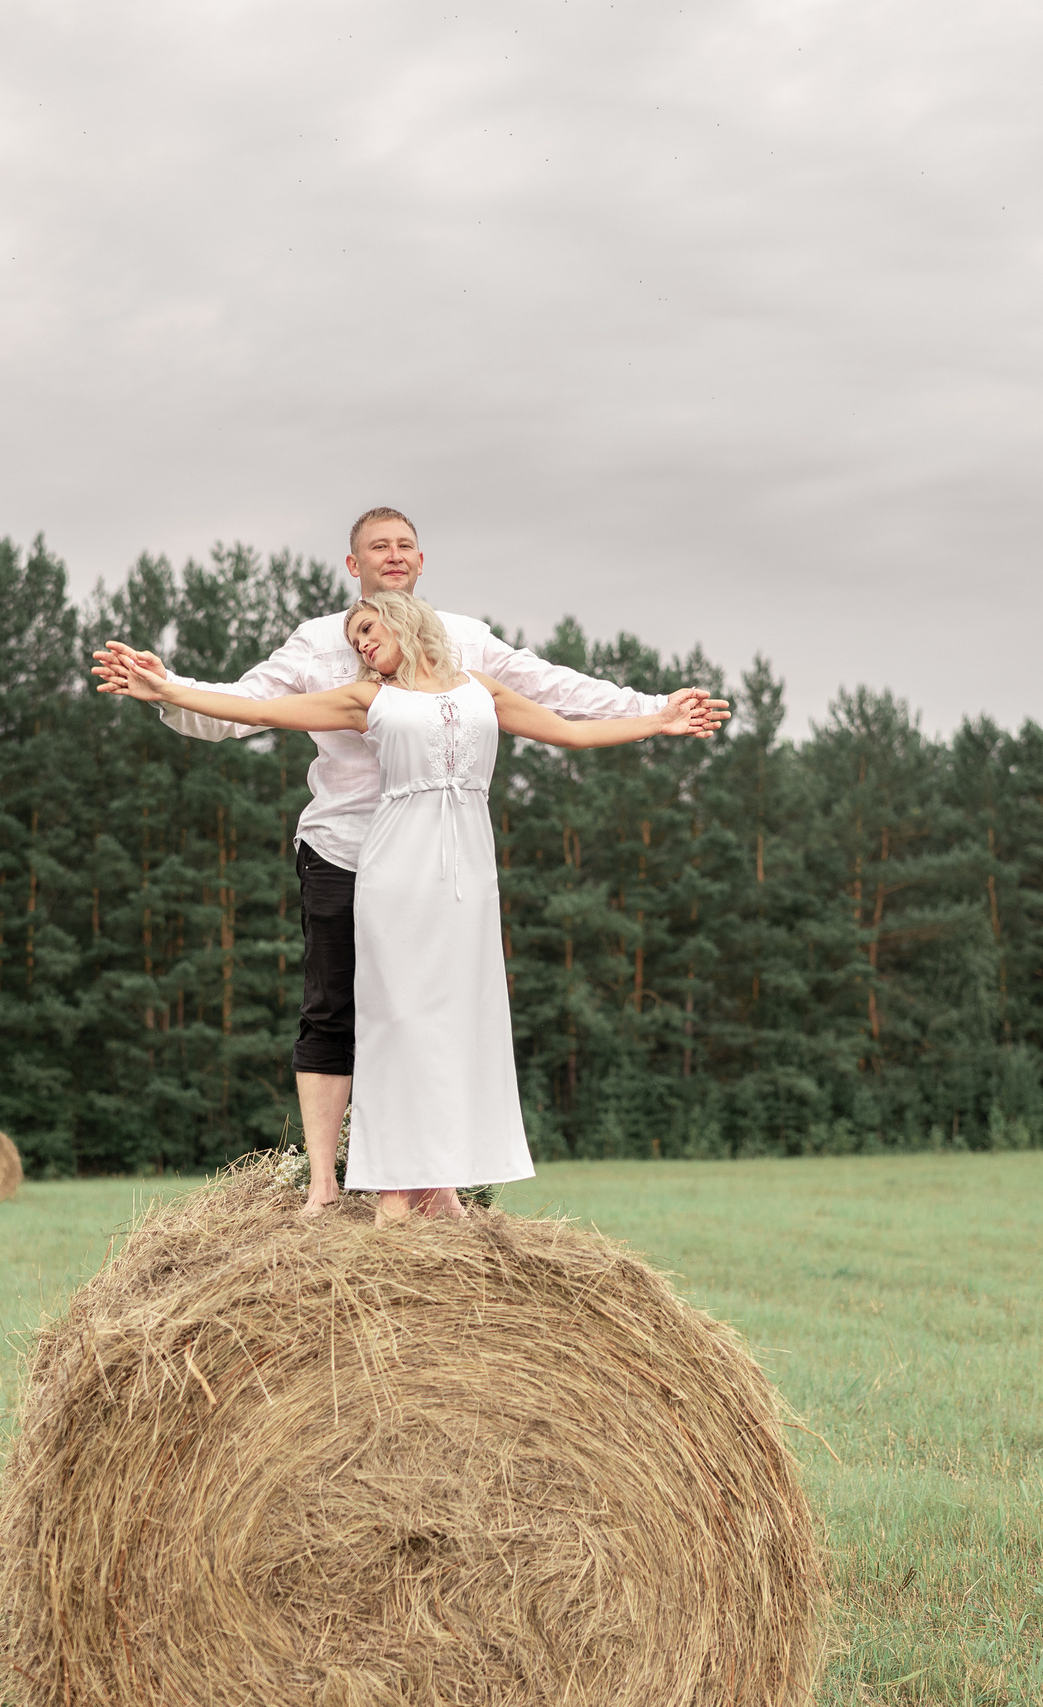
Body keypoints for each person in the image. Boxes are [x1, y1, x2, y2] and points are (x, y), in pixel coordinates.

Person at [92, 507, 729, 1213]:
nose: (392, 555)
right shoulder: (321, 650)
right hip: (343, 848)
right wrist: (168, 687)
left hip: (445, 864)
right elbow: (249, 707)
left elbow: (554, 693)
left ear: (420, 561)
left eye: (404, 545)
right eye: (377, 546)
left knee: (442, 1014)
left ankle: (434, 1181)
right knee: (334, 1011)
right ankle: (326, 1183)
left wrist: (655, 706)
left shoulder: (469, 647)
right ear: (352, 565)